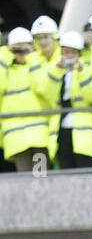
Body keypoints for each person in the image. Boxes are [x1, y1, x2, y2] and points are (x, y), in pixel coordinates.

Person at [36, 30, 92, 168]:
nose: (69, 56)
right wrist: (56, 70)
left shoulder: (88, 69)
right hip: (62, 129)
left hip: (85, 133)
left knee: (86, 170)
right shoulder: (54, 69)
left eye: (72, 52)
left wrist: (82, 73)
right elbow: (48, 95)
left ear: (79, 53)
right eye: (66, 52)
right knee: (65, 169)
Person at [0, 27, 52, 171]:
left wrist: (32, 57)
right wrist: (4, 57)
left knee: (40, 175)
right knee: (24, 179)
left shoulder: (40, 63)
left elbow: (43, 87)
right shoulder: (5, 69)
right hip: (16, 137)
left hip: (39, 135)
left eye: (24, 47)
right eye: (17, 49)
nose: (21, 52)